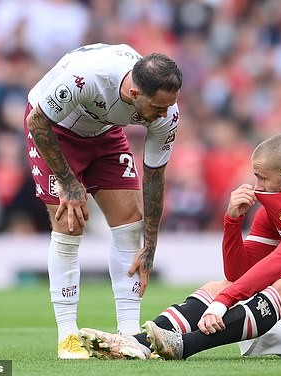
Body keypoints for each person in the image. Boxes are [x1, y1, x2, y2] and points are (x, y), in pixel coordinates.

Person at [77, 133, 281, 360]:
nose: (257, 186)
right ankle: (137, 344)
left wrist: (225, 301)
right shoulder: (275, 206)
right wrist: (231, 222)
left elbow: (280, 262)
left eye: (261, 177)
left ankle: (183, 346)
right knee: (218, 286)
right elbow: (240, 274)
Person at [23, 43, 182, 359]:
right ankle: (67, 336)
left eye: (169, 107)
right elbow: (37, 123)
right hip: (54, 129)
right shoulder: (85, 77)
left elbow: (154, 178)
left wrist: (149, 246)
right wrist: (69, 183)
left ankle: (129, 334)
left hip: (105, 132)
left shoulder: (167, 111)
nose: (166, 115)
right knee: (70, 223)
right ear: (135, 94)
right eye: (159, 108)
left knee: (130, 221)